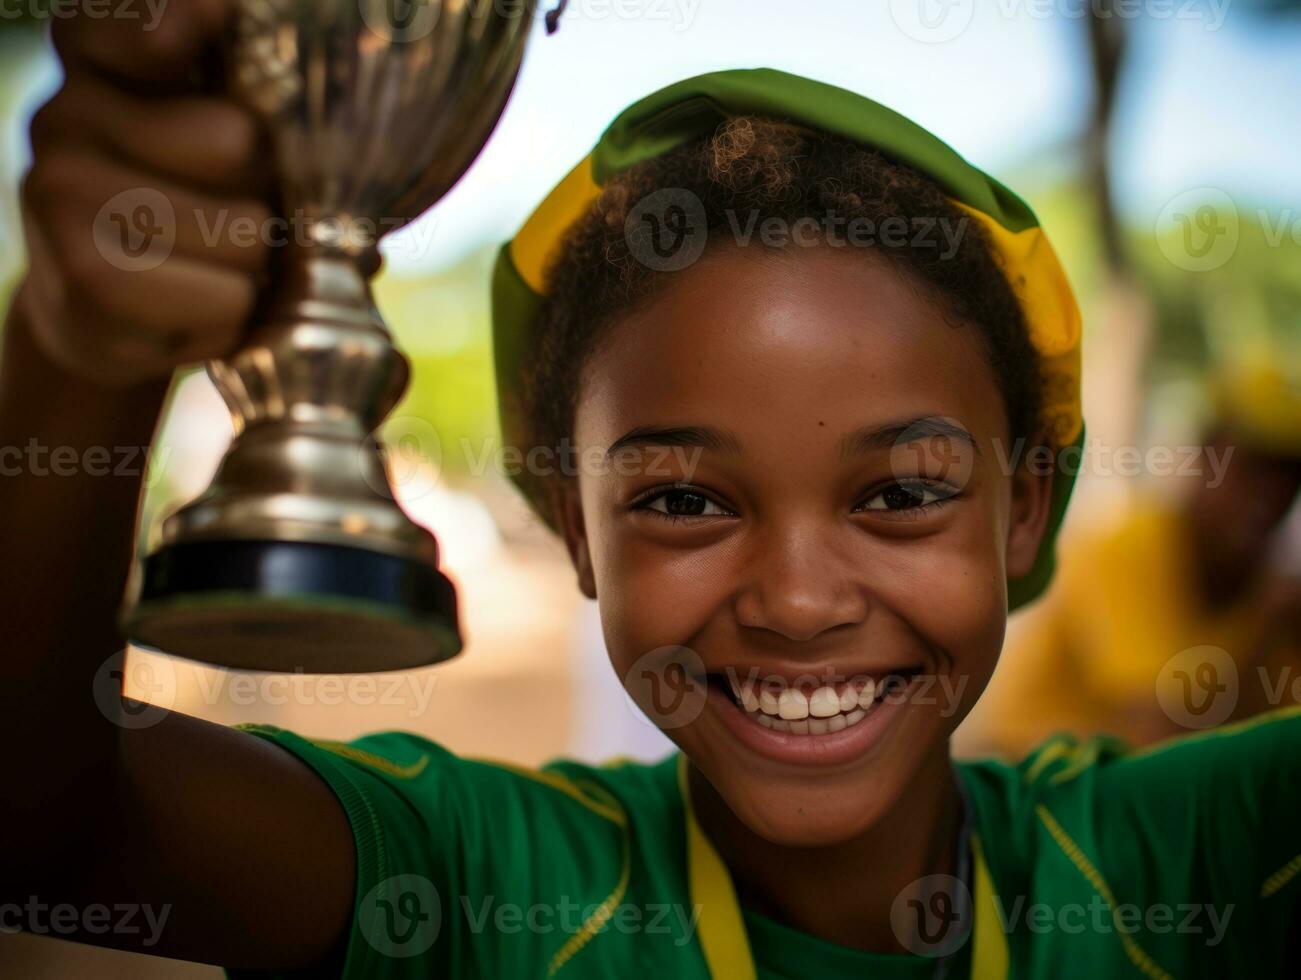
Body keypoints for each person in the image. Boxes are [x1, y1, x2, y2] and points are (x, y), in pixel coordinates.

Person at [1, 7, 1297, 978]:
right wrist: (76, 359)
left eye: (900, 494)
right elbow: (44, 827)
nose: (796, 601)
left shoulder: (1173, 862)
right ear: (574, 527)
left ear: (1023, 511)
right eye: (684, 502)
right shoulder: (482, 884)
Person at [972, 368, 1301, 755]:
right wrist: (1263, 630)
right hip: (1031, 780)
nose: (1270, 495)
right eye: (1253, 469)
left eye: (1289, 476)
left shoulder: (1267, 585)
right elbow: (1159, 738)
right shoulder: (1127, 549)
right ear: (1207, 455)